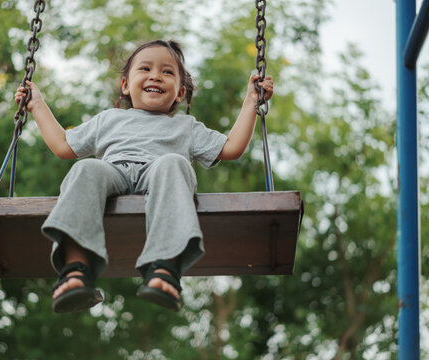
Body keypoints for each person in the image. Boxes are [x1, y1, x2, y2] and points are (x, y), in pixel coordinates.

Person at [14, 40, 273, 313]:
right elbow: (64, 146)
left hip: (160, 174)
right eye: (145, 68)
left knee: (173, 163)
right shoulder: (109, 119)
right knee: (85, 168)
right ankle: (76, 270)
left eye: (167, 72)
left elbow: (231, 148)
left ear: (180, 93)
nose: (155, 76)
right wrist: (37, 105)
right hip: (114, 173)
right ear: (126, 85)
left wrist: (250, 102)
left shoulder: (186, 127)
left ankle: (164, 268)